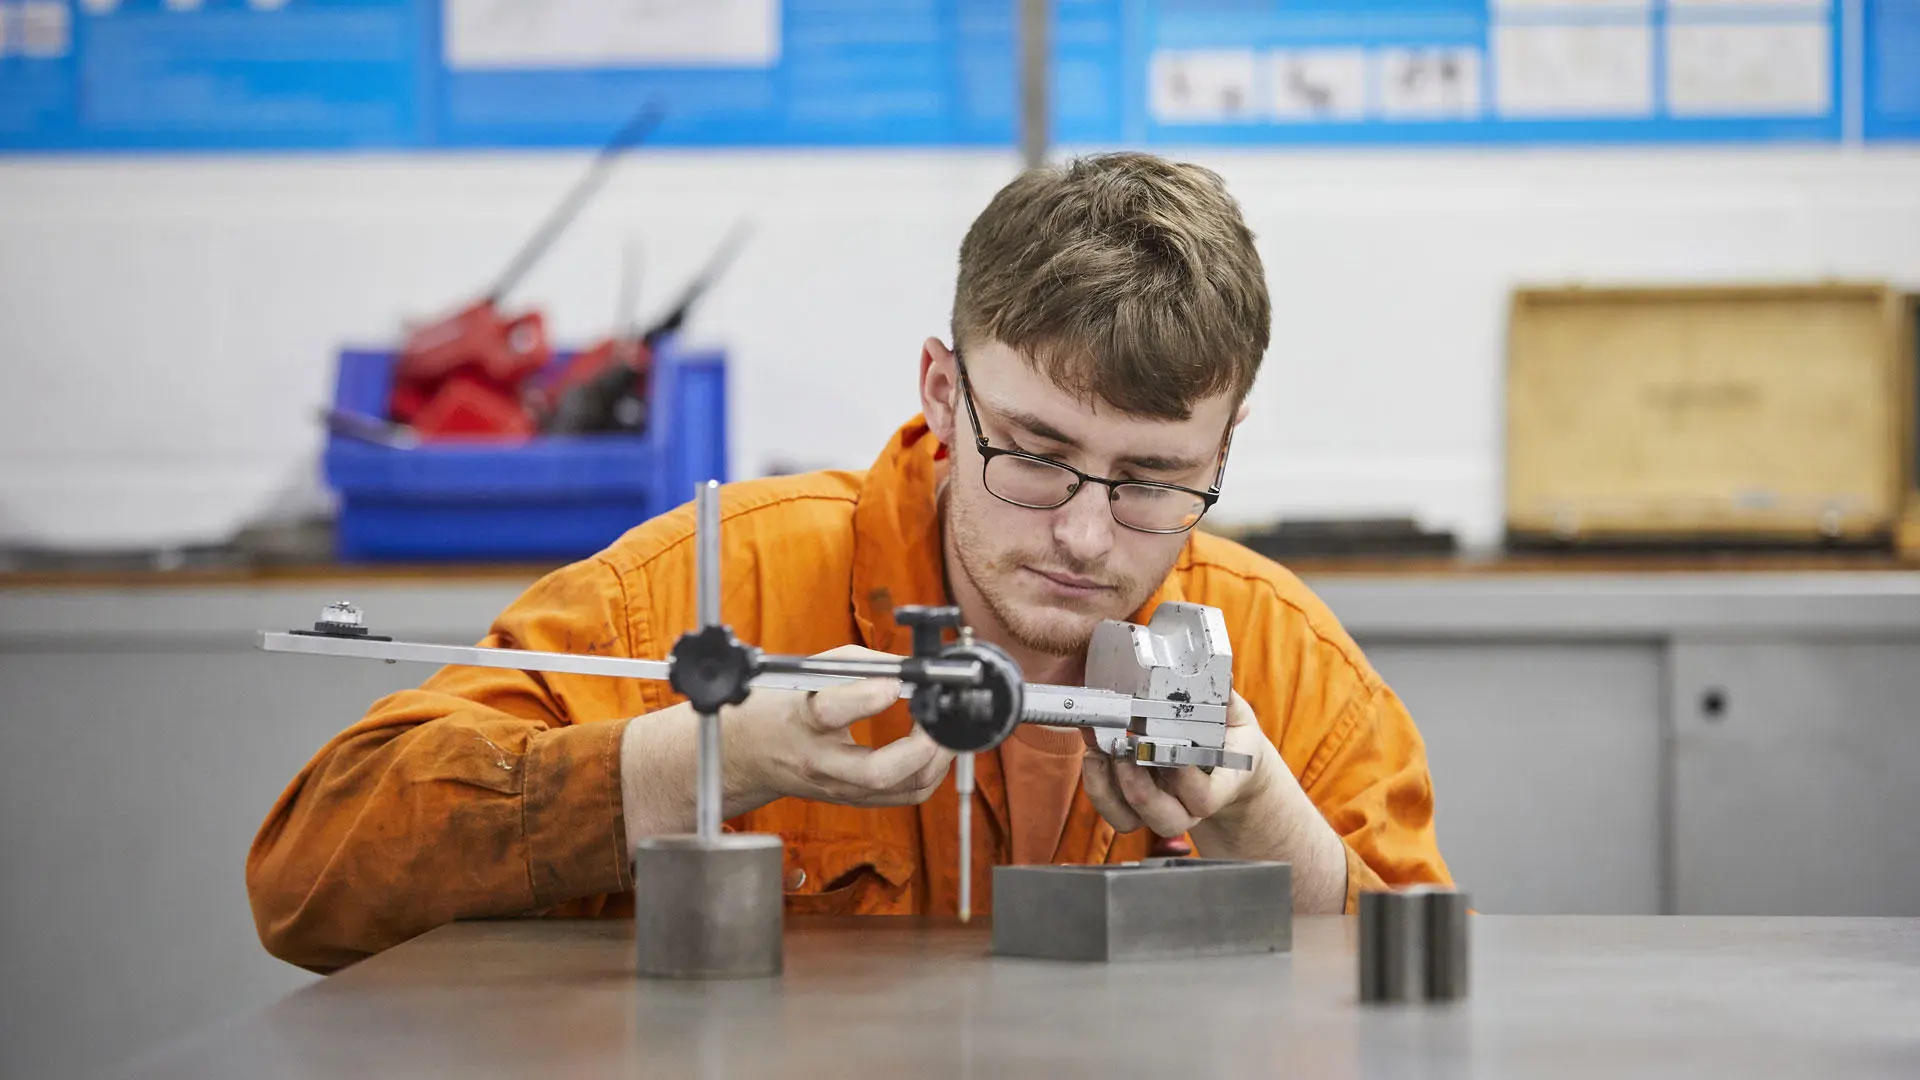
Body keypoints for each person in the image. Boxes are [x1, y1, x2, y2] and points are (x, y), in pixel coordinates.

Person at [248, 152, 1452, 973]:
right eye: (1034, 455)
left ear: (1226, 442)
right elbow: (308, 882)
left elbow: (1430, 1014)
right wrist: (697, 760)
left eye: (1151, 480)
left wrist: (1265, 827)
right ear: (942, 392)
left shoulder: (1283, 663)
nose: (1088, 537)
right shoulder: (707, 588)